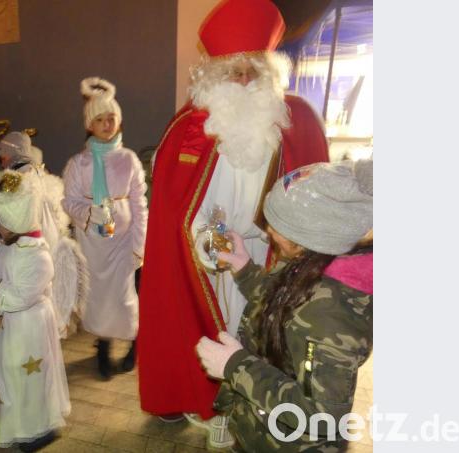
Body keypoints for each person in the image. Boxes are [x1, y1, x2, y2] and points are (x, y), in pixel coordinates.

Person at [137, 0, 330, 433]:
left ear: (270, 70)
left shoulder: (298, 119)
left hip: (274, 256)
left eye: (253, 71)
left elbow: (315, 192)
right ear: (213, 75)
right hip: (211, 258)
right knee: (218, 332)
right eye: (233, 72)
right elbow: (177, 208)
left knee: (264, 337)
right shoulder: (187, 127)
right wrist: (210, 242)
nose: (244, 81)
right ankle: (215, 408)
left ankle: (256, 411)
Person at [196, 159, 373, 451]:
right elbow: (284, 306)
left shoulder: (331, 318)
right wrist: (244, 269)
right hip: (264, 432)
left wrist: (235, 366)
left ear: (312, 237)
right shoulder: (311, 265)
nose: (268, 230)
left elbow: (324, 419)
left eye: (278, 223)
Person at [0, 169, 70, 451]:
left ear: (16, 220)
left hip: (28, 329)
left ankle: (38, 428)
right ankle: (20, 422)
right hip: (8, 330)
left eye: (1, 223)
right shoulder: (6, 245)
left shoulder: (38, 256)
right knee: (10, 376)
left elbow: (19, 297)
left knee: (30, 379)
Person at [61, 77, 148, 379]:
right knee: (98, 298)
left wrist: (140, 243)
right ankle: (103, 348)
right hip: (93, 243)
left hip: (123, 242)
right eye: (100, 119)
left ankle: (135, 345)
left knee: (125, 297)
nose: (107, 124)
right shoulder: (78, 164)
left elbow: (139, 205)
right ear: (90, 125)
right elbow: (68, 201)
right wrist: (89, 213)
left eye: (111, 118)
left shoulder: (129, 160)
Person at [0, 127, 88, 338]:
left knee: (33, 290)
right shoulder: (38, 173)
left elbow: (16, 217)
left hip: (30, 240)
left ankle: (39, 338)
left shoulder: (18, 178)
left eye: (2, 156)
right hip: (48, 238)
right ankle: (48, 332)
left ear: (8, 154)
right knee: (47, 287)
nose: (1, 161)